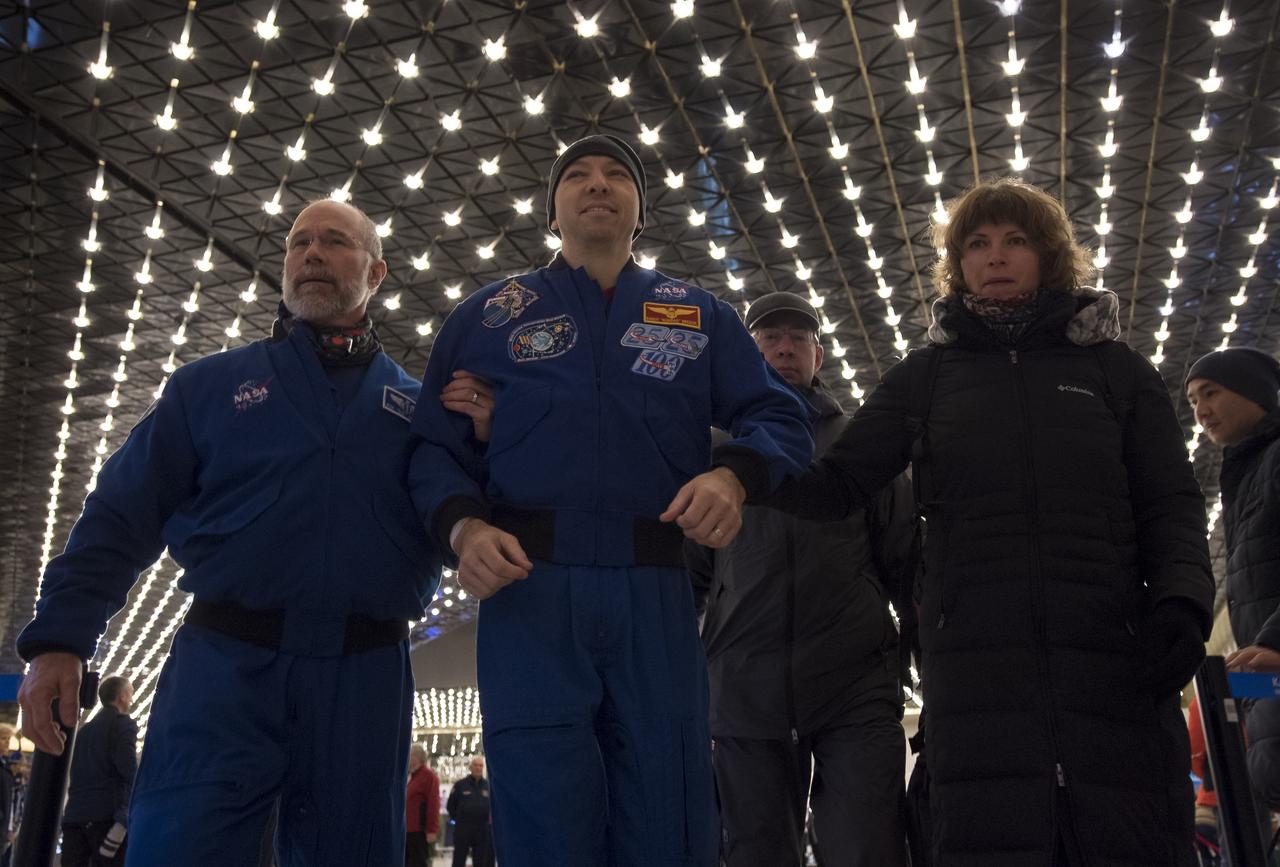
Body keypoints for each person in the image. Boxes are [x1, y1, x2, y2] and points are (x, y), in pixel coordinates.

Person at [760, 177, 1214, 866]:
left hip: (1110, 653)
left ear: (1049, 256)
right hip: (975, 666)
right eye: (977, 243)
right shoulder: (927, 378)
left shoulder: (1117, 373)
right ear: (958, 264)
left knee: (1130, 834)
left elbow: (1170, 501)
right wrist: (739, 460)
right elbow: (837, 482)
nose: (995, 256)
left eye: (1015, 240)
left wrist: (1182, 599)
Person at [15, 200, 464, 866]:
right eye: (298, 242)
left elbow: (468, 511)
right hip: (224, 668)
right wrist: (59, 639)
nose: (311, 253)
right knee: (181, 845)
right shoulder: (209, 390)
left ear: (376, 273)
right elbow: (118, 513)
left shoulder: (419, 410)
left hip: (364, 676)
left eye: (334, 242)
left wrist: (483, 430)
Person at [408, 133, 813, 867]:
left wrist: (734, 476)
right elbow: (432, 447)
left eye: (616, 175)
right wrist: (463, 527)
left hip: (654, 590)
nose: (598, 184)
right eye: (579, 176)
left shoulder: (698, 316)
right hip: (530, 589)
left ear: (640, 211)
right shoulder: (488, 317)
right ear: (553, 212)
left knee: (668, 803)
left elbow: (780, 414)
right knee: (541, 805)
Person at [687, 291, 914, 867]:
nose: (784, 348)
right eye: (769, 338)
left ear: (818, 355)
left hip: (854, 685)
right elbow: (686, 573)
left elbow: (906, 560)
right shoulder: (714, 451)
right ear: (749, 352)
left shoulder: (860, 445)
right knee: (755, 853)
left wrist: (918, 660)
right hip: (743, 688)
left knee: (865, 847)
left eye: (798, 338)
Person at [1186, 347, 1280, 809]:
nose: (1201, 412)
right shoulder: (1248, 476)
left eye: (1211, 393)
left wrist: (1276, 643)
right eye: (1192, 402)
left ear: (1254, 392)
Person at [60, 676, 137, 867]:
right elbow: (128, 770)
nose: (132, 700)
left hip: (74, 817)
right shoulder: (122, 724)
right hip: (105, 818)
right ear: (122, 696)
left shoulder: (83, 731)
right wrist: (124, 819)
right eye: (131, 694)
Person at [446, 756, 492, 867]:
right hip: (463, 829)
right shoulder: (460, 785)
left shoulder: (488, 786)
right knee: (459, 859)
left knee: (481, 861)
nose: (478, 768)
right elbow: (450, 805)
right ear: (470, 767)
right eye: (476, 765)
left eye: (481, 765)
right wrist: (459, 819)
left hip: (482, 830)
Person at [405, 743, 440, 867]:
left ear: (415, 758)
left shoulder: (429, 776)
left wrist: (431, 830)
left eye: (408, 757)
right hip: (408, 830)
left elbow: (433, 804)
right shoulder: (411, 776)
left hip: (418, 832)